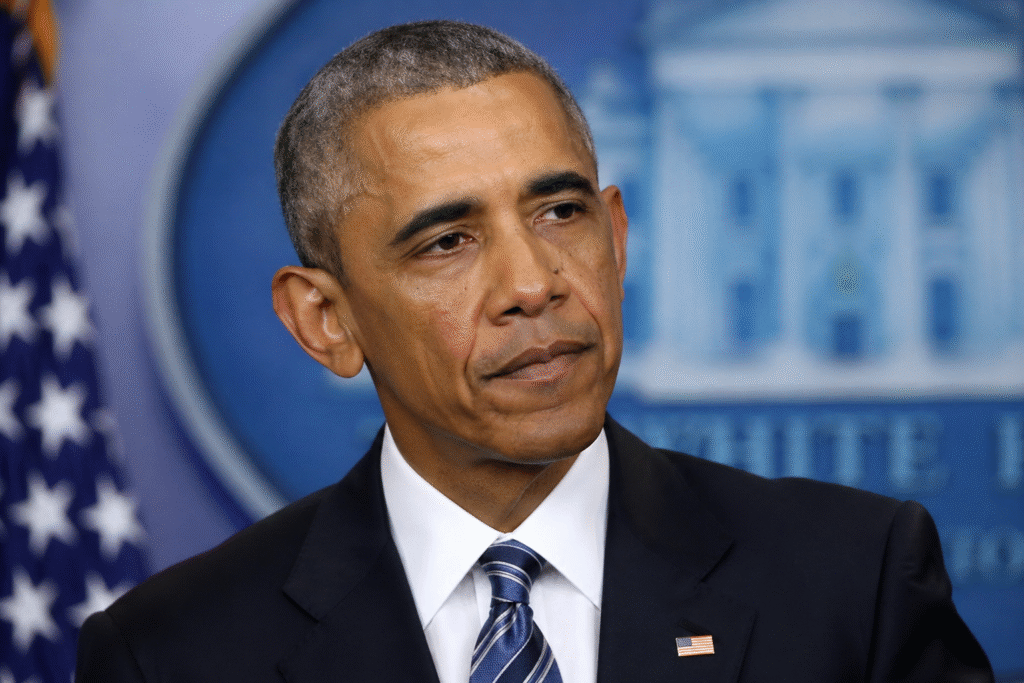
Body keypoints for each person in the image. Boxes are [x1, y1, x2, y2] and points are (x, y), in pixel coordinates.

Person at [76, 20, 993, 683]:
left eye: (562, 212)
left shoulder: (855, 580)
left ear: (618, 238)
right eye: (448, 241)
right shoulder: (170, 652)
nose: (534, 282)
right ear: (326, 320)